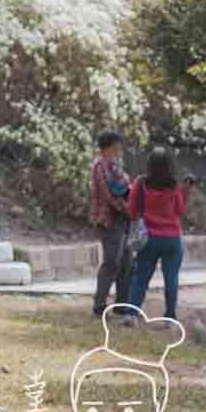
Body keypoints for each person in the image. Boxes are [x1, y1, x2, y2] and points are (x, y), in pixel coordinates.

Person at [124, 147, 197, 325]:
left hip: (148, 238)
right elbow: (179, 211)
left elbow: (132, 212)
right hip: (172, 239)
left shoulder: (140, 183)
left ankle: (132, 314)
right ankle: (170, 317)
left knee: (141, 277)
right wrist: (186, 192)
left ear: (149, 164)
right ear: (170, 165)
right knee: (171, 279)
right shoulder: (174, 186)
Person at [90, 130, 132, 318]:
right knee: (111, 262)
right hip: (108, 219)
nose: (120, 147)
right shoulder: (100, 167)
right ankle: (99, 305)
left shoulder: (116, 166)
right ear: (110, 145)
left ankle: (122, 304)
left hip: (123, 219)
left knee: (126, 263)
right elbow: (107, 195)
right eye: (118, 144)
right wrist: (126, 207)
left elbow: (127, 188)